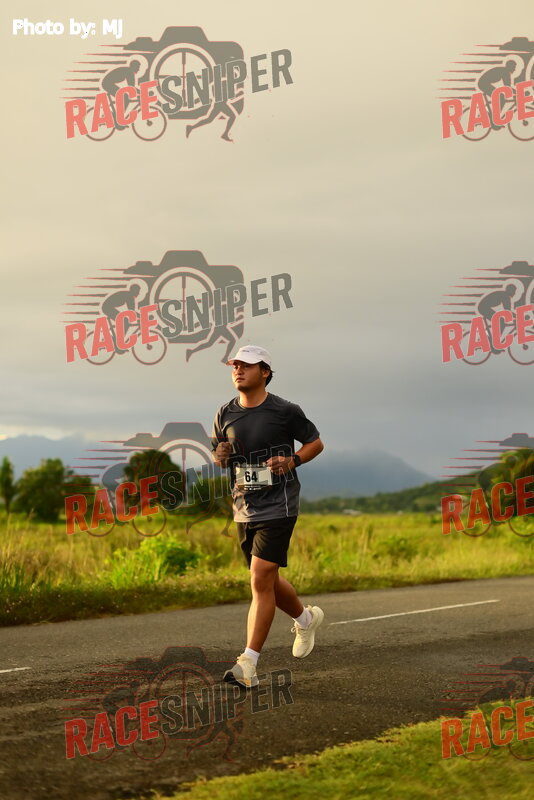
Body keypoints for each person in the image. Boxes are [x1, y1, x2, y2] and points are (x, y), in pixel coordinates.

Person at [211, 345, 325, 688]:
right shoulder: (224, 412)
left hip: (280, 504)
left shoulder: (285, 410)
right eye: (235, 365)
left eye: (246, 365)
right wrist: (220, 454)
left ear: (265, 372)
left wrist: (292, 461)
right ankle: (306, 619)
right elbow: (219, 455)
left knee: (260, 577)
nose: (238, 370)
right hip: (244, 506)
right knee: (267, 580)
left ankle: (248, 664)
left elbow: (315, 443)